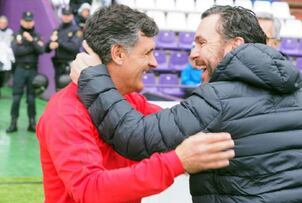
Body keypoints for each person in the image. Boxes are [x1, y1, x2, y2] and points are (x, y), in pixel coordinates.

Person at [72, 5, 302, 202]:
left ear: (234, 46)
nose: (192, 54)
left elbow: (135, 136)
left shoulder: (218, 99)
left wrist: (92, 77)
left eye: (202, 43)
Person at [36, 5, 235, 203]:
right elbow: (90, 190)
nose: (154, 63)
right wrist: (178, 161)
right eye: (147, 53)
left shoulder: (130, 101)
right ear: (118, 54)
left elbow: (182, 129)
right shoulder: (65, 112)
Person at [6, 11, 44, 133]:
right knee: (16, 97)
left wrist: (31, 41)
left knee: (32, 98)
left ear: (33, 21)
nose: (28, 23)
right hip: (20, 69)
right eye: (26, 21)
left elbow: (41, 50)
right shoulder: (16, 34)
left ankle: (32, 123)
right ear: (21, 21)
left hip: (32, 70)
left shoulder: (37, 35)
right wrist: (31, 48)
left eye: (30, 21)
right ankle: (13, 122)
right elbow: (15, 51)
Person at [46, 7, 82, 91]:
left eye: (68, 15)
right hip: (58, 64)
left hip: (69, 65)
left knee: (67, 90)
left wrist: (58, 42)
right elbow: (46, 49)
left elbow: (74, 47)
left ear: (72, 16)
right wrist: (50, 45)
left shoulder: (76, 30)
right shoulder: (58, 29)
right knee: (58, 90)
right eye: (64, 15)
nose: (66, 17)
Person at [0, 15, 14, 97]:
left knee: (3, 75)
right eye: (1, 23)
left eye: (4, 23)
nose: (2, 24)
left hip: (6, 58)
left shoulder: (10, 32)